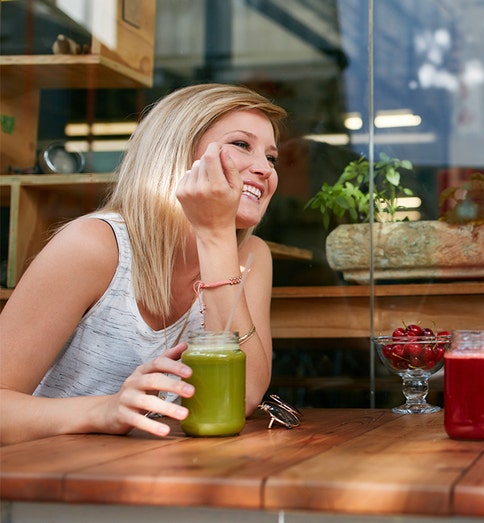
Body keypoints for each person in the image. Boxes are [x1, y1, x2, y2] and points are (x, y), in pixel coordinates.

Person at [0, 83, 287, 445]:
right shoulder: (93, 245)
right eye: (242, 145)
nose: (264, 169)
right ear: (176, 154)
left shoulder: (250, 256)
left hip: (152, 475)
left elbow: (244, 397)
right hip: (45, 480)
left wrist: (216, 239)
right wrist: (102, 410)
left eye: (272, 157)